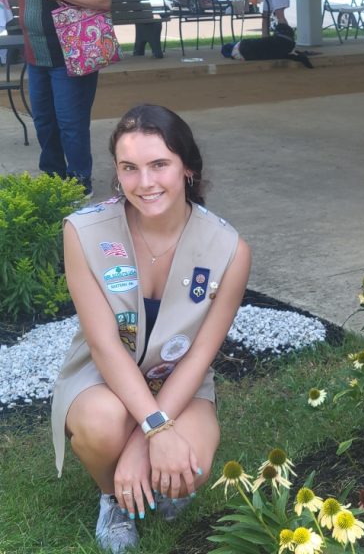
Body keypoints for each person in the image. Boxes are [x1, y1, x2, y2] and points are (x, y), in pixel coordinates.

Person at [51, 104, 252, 553]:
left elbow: (200, 356)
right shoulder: (83, 232)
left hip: (177, 379)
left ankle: (140, 472)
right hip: (103, 375)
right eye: (129, 168)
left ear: (187, 170)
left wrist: (149, 439)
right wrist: (158, 431)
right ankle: (114, 496)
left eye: (159, 164)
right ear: (117, 173)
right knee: (102, 424)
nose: (145, 183)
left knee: (190, 471)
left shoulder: (230, 250)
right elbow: (104, 346)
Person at [14, 0, 112, 196]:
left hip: (69, 57)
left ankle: (79, 184)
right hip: (36, 58)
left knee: (71, 124)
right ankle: (53, 177)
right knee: (44, 121)